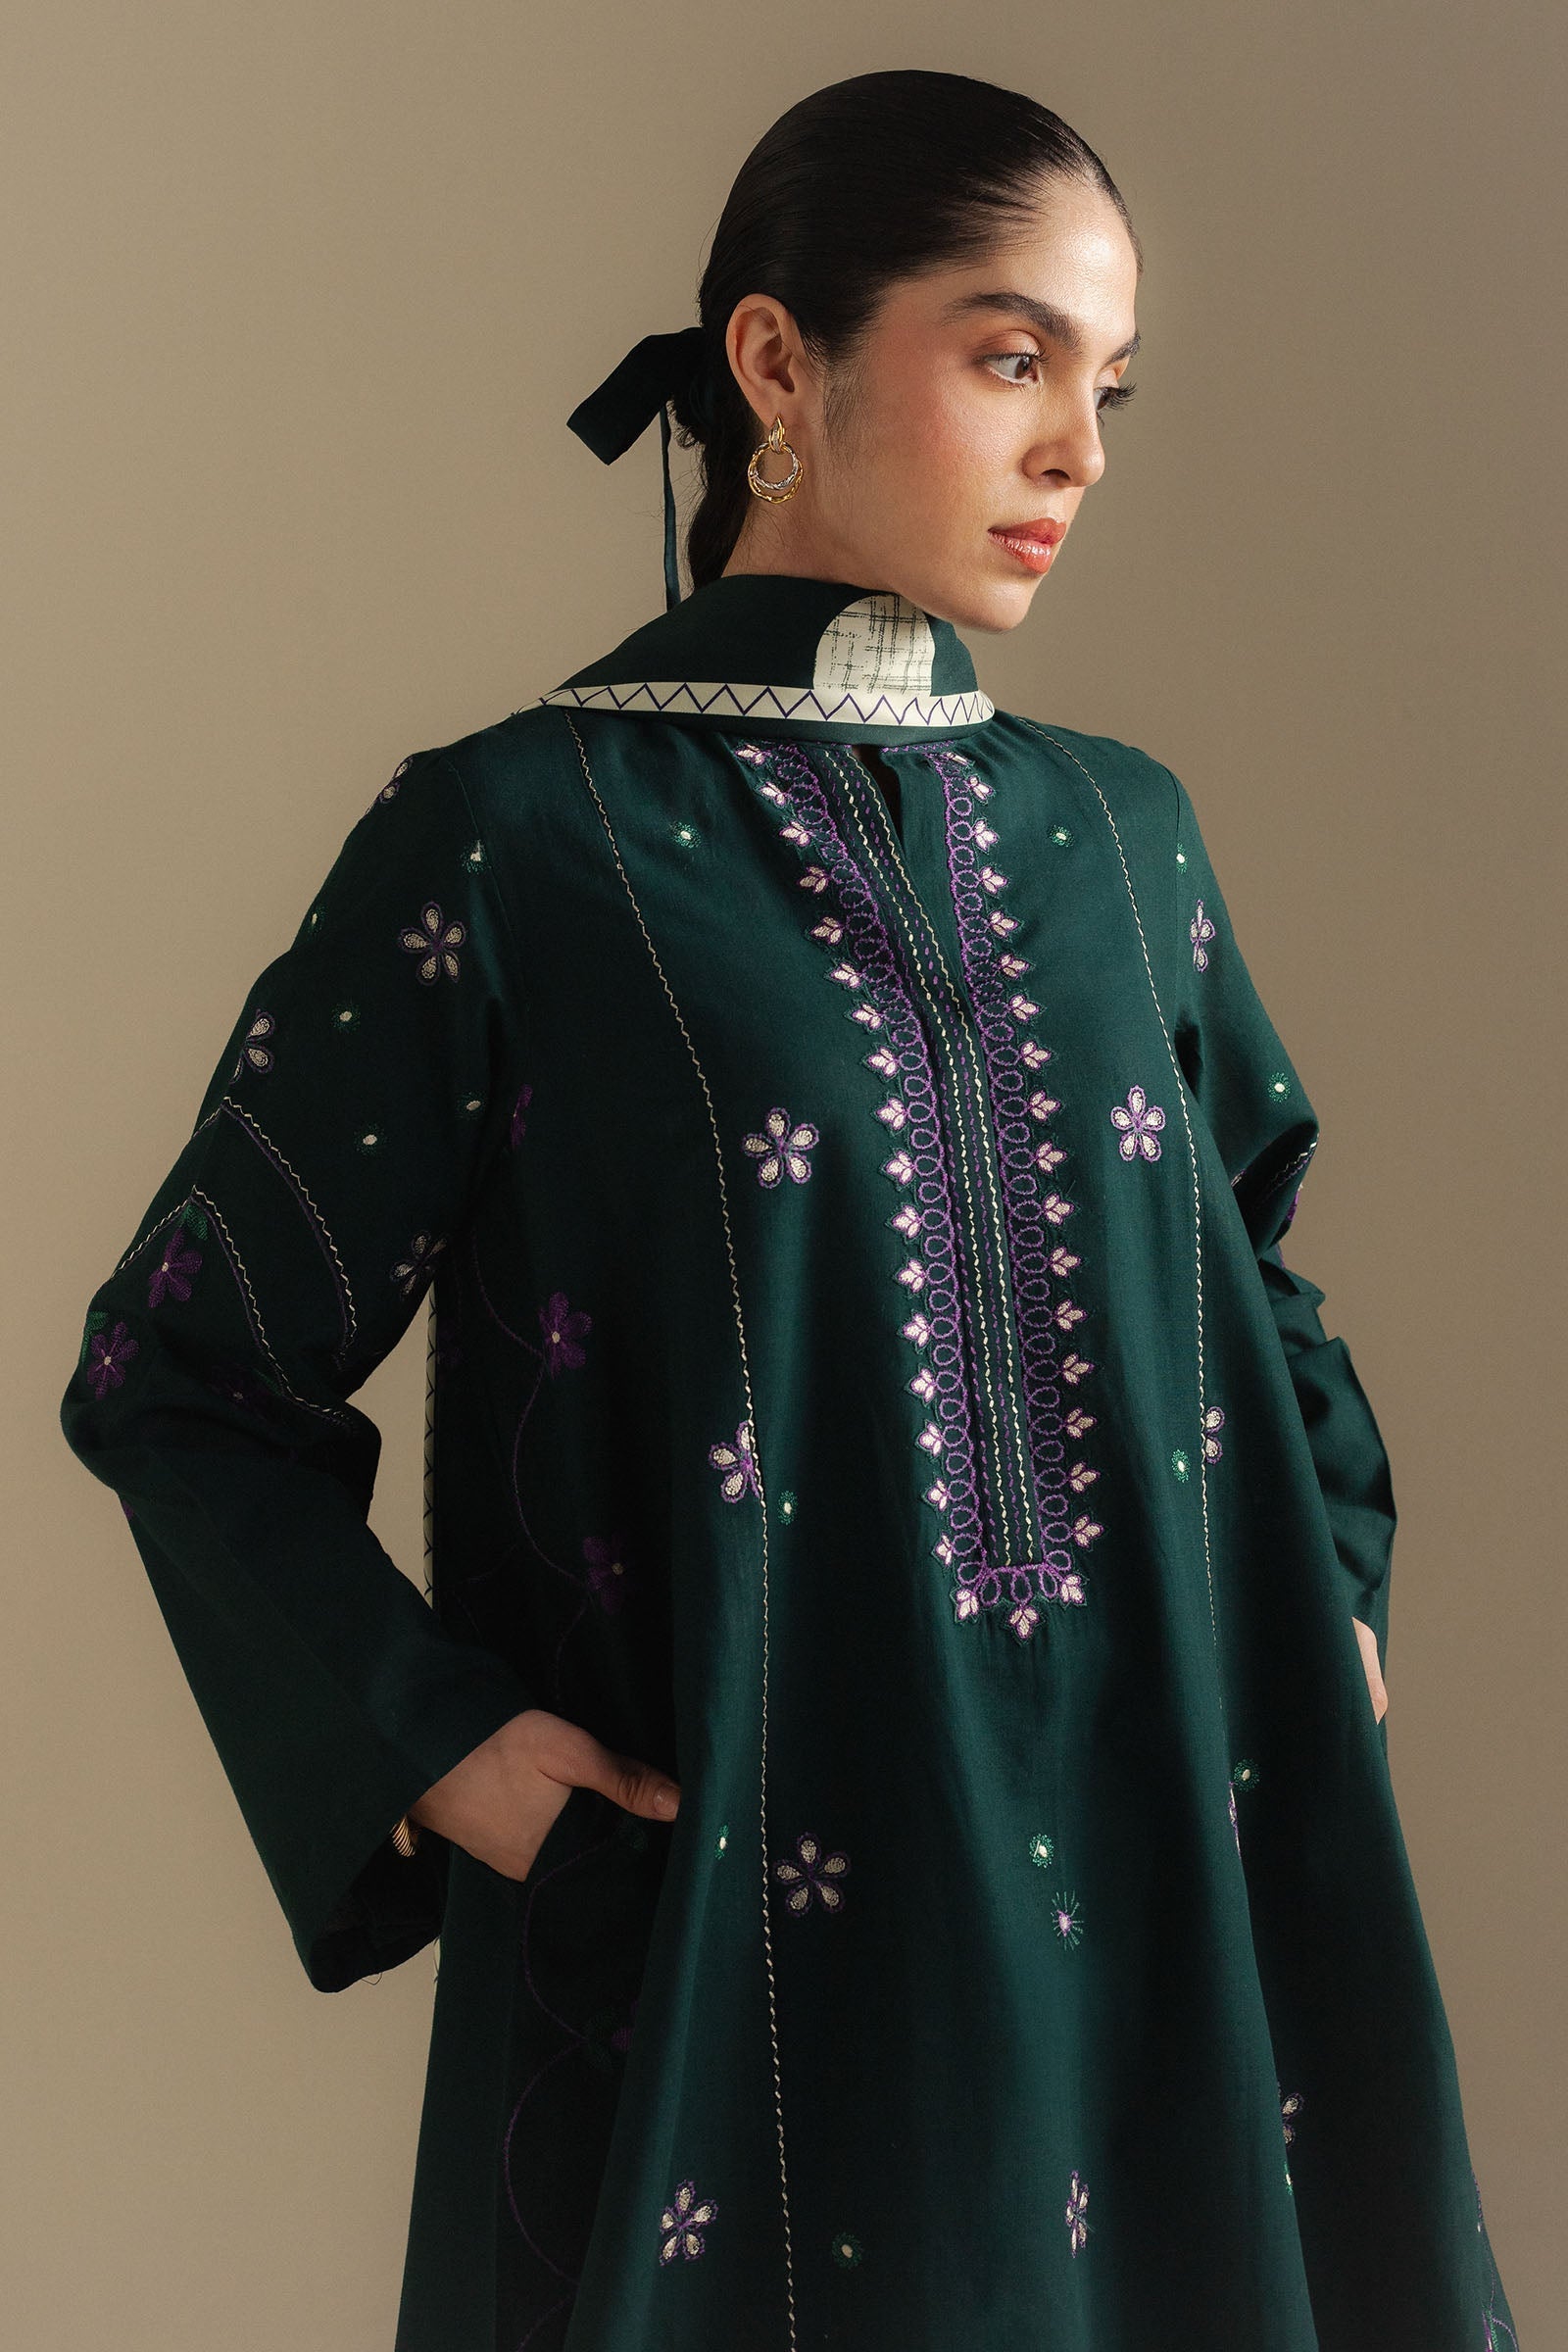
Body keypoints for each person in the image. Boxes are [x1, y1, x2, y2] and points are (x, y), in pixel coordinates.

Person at [59, 66, 1520, 2352]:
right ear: (771, 363)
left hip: (1169, 1925)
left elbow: (1247, 1264)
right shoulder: (517, 844)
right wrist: (438, 1746)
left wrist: (1318, 1614)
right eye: (1010, 357)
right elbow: (179, 1367)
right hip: (745, 1971)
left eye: (1108, 387)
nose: (1077, 452)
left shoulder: (1119, 838)